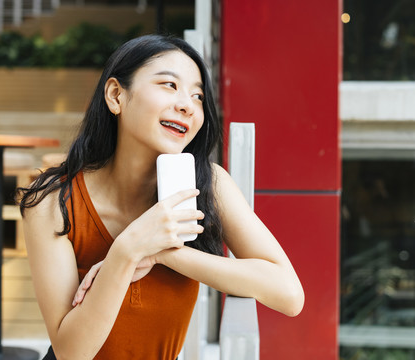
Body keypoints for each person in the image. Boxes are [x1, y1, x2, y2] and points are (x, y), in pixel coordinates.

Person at [18, 34, 304, 360]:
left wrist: (164, 254)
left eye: (197, 96)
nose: (187, 105)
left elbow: (289, 294)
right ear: (116, 96)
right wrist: (125, 252)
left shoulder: (210, 185)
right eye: (169, 85)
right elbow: (71, 353)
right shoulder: (53, 203)